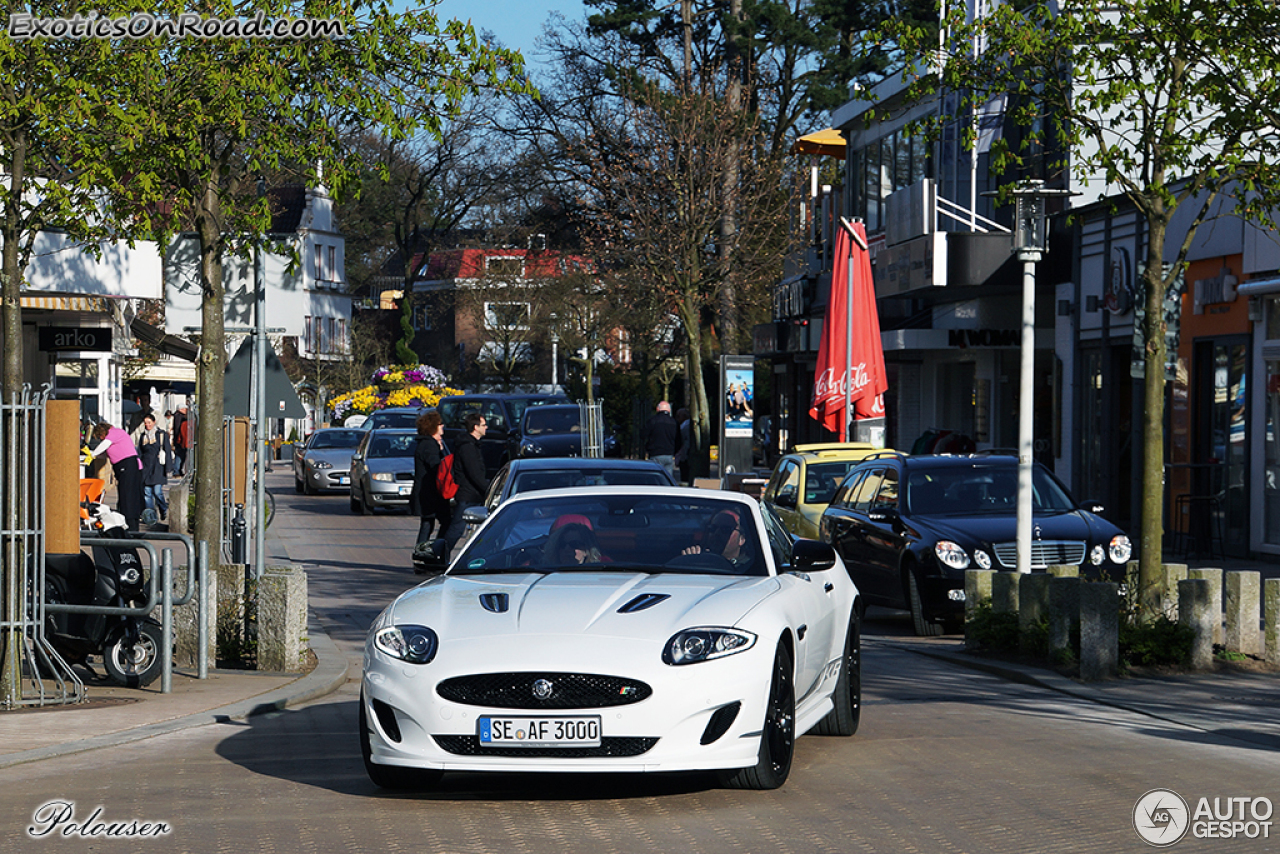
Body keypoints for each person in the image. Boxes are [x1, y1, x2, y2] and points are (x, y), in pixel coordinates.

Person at [440, 411, 489, 557]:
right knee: (456, 529)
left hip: (472, 495)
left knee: (472, 530)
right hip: (468, 495)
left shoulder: (472, 445)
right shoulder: (467, 447)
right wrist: (489, 489)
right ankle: (439, 557)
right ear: (475, 427)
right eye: (484, 425)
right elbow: (474, 473)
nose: (486, 428)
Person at [88, 420, 145, 531]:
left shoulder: (114, 433)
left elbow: (104, 445)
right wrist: (92, 454)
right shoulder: (115, 436)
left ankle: (131, 524)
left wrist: (92, 454)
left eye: (100, 436)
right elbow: (104, 453)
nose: (100, 439)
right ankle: (127, 521)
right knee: (125, 496)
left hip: (127, 465)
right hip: (124, 467)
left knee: (128, 496)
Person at [410, 410, 450, 562]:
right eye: (440, 424)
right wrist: (440, 454)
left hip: (426, 493)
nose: (443, 427)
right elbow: (436, 467)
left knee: (428, 524)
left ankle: (422, 554)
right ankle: (431, 551)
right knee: (444, 522)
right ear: (433, 427)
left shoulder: (426, 443)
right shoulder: (429, 445)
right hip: (430, 493)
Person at [682, 509, 754, 570]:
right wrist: (689, 561)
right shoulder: (698, 559)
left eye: (725, 529)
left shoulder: (750, 568)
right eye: (713, 528)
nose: (717, 533)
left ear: (742, 539)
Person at [133, 413, 172, 524]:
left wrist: (168, 468)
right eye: (145, 423)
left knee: (157, 492)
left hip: (158, 467)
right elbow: (139, 452)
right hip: (146, 468)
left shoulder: (161, 434)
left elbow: (167, 451)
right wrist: (138, 466)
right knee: (147, 494)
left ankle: (163, 509)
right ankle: (151, 517)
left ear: (154, 422)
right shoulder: (142, 436)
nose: (147, 425)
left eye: (149, 422)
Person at [641, 401, 681, 480]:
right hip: (669, 455)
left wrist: (647, 447)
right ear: (669, 410)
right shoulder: (674, 423)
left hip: (655, 454)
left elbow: (643, 435)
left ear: (657, 409)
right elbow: (679, 440)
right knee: (667, 479)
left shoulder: (653, 421)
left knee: (654, 478)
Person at [171, 403, 190, 477]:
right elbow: (178, 429)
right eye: (185, 409)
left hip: (179, 439)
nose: (186, 411)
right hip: (180, 440)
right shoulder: (180, 417)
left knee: (180, 455)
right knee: (179, 455)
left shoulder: (177, 416)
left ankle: (178, 470)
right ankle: (176, 471)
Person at [674, 407, 692, 485]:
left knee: (684, 476)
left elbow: (684, 441)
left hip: (685, 455)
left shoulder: (684, 426)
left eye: (679, 416)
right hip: (686, 454)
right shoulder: (687, 424)